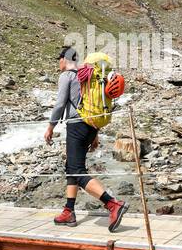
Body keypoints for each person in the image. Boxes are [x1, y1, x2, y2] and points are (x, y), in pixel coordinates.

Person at [45, 46, 127, 230]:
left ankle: (112, 204)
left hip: (76, 126)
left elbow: (60, 104)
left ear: (64, 59)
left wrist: (50, 126)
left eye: (58, 60)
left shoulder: (67, 75)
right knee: (72, 168)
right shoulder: (88, 75)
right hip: (91, 126)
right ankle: (69, 211)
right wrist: (95, 133)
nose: (58, 64)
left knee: (77, 171)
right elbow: (93, 104)